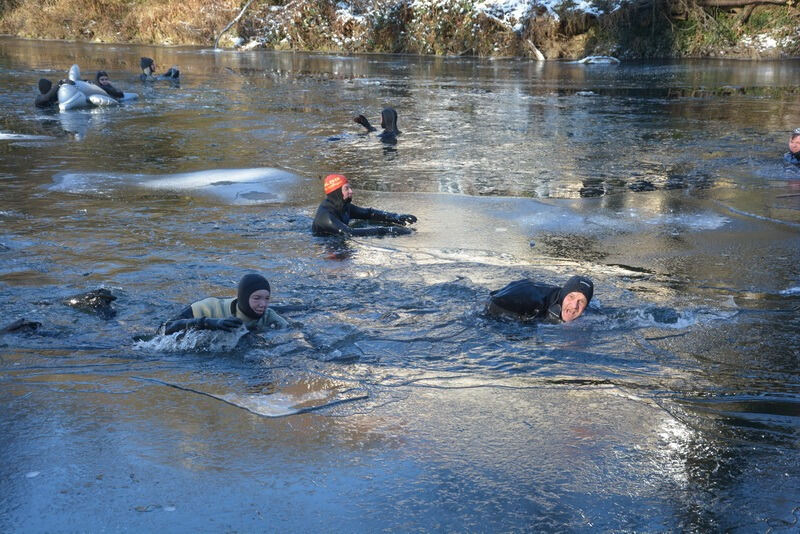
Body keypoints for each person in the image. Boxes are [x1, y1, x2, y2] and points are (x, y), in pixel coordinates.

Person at [162, 273, 288, 335]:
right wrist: (211, 323)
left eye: (267, 298)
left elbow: (292, 331)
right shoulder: (209, 307)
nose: (263, 304)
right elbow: (164, 329)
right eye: (257, 298)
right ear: (244, 298)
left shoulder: (269, 315)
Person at [311, 173, 417, 237]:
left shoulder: (343, 206)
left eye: (350, 188)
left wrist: (396, 217)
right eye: (346, 188)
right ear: (337, 192)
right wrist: (389, 230)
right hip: (325, 245)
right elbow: (349, 233)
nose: (351, 191)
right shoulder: (326, 217)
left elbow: (369, 213)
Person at [487, 275, 594, 323]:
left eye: (581, 301)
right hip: (501, 304)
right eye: (571, 297)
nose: (574, 305)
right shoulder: (539, 305)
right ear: (563, 295)